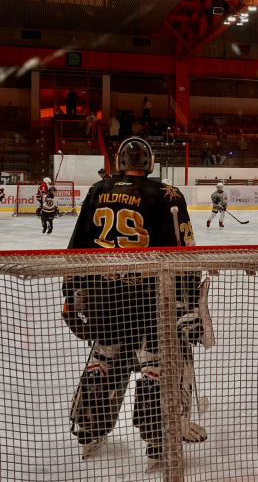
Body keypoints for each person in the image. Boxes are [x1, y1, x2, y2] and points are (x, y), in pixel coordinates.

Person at [62, 137, 210, 465]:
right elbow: (184, 252)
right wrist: (190, 304)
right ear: (151, 163)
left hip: (104, 297)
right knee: (156, 366)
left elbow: (77, 247)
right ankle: (159, 441)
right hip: (151, 298)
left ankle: (88, 429)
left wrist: (70, 297)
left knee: (104, 358)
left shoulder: (97, 190)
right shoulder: (166, 193)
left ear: (118, 161)